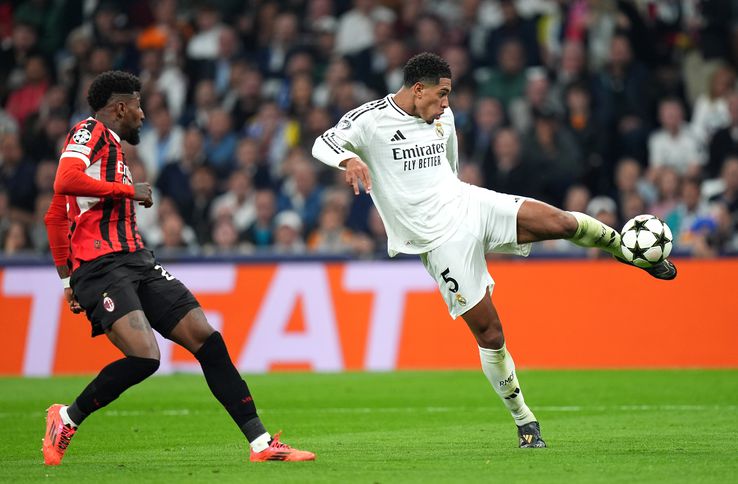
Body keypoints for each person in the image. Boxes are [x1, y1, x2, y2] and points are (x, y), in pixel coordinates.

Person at [312, 53, 677, 449]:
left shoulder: (441, 119)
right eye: (442, 94)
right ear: (418, 89)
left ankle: (624, 250)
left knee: (562, 223)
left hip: (469, 204)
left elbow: (448, 169)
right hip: (439, 241)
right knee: (491, 333)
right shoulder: (371, 120)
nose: (447, 103)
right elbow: (323, 142)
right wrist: (348, 158)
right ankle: (525, 421)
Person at [42, 71, 315, 465]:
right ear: (119, 107)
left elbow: (55, 214)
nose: (142, 115)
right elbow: (63, 181)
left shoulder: (114, 150)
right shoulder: (89, 132)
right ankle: (66, 418)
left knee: (206, 338)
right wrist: (125, 193)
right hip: (101, 266)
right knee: (145, 357)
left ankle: (261, 444)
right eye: (137, 105)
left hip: (138, 260)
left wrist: (67, 279)